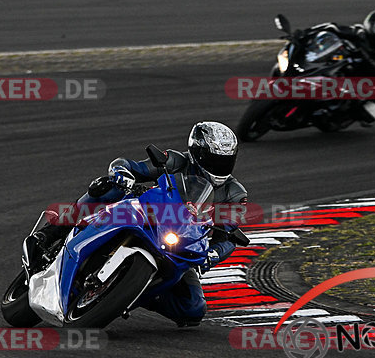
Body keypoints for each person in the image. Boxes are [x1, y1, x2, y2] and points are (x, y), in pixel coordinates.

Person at [25, 121, 248, 327]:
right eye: (214, 159)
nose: (220, 166)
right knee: (107, 187)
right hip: (147, 216)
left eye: (226, 160)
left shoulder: (235, 194)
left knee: (194, 309)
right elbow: (132, 166)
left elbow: (228, 235)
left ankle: (133, 292)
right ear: (197, 153)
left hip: (180, 242)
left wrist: (214, 254)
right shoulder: (175, 161)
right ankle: (52, 232)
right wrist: (121, 173)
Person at [308, 9, 375, 124]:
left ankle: (358, 107)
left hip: (368, 80)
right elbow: (332, 27)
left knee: (369, 112)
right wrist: (307, 32)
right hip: (351, 65)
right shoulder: (360, 33)